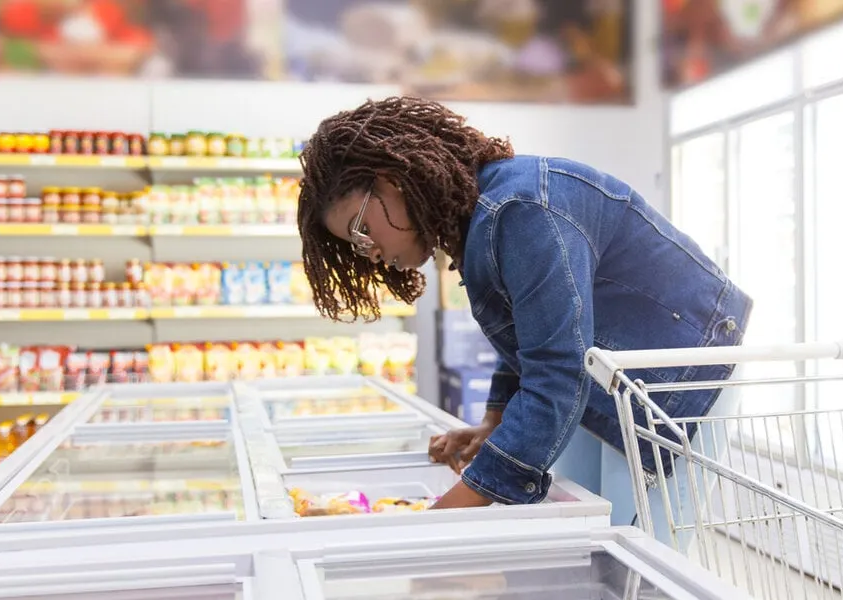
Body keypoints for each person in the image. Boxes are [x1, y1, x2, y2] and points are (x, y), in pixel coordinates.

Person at [295, 96, 752, 541]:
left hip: (678, 378)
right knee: (580, 541)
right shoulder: (476, 216)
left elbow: (556, 371)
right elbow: (532, 332)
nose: (370, 251)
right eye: (355, 246)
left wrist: (440, 516)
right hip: (609, 378)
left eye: (361, 229)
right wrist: (494, 421)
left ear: (391, 181)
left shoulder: (520, 210)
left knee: (636, 560)